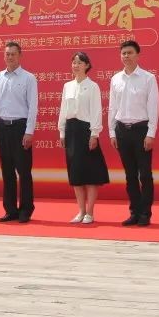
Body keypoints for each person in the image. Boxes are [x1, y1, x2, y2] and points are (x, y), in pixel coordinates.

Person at [108, 39, 159, 227]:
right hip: (122, 130)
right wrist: (112, 132)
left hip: (141, 130)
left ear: (138, 55)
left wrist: (151, 133)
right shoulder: (115, 79)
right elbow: (112, 107)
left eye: (130, 53)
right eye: (123, 53)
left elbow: (153, 108)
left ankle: (145, 213)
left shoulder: (148, 78)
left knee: (144, 174)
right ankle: (134, 212)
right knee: (130, 175)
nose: (126, 56)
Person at [57, 51, 108, 224]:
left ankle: (90, 212)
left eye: (79, 62)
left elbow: (96, 111)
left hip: (86, 131)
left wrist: (94, 134)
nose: (76, 65)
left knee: (90, 173)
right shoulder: (67, 86)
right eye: (74, 62)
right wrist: (62, 131)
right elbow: (63, 110)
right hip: (71, 131)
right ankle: (81, 211)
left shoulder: (92, 86)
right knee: (76, 174)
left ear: (87, 65)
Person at [0, 41, 39, 223]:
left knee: (24, 171)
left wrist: (29, 131)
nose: (10, 57)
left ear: (20, 56)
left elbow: (33, 107)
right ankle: (10, 210)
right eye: (7, 54)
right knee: (7, 171)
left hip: (20, 127)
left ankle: (26, 209)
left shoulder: (28, 78)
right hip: (2, 127)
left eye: (13, 54)